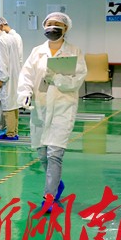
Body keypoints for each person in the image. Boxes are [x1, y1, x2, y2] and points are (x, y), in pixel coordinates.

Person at [16, 12, 87, 211]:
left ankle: (49, 198)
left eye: (57, 24)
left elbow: (77, 80)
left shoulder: (74, 52)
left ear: (66, 28)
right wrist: (24, 93)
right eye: (49, 23)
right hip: (40, 107)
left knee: (55, 154)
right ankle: (56, 184)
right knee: (42, 154)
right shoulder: (37, 51)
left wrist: (56, 78)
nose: (52, 27)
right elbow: (26, 75)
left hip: (63, 108)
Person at [0, 16, 24, 136]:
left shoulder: (3, 40)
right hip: (14, 75)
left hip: (8, 76)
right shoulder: (10, 38)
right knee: (12, 104)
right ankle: (12, 131)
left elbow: (3, 61)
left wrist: (1, 79)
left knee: (8, 104)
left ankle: (10, 133)